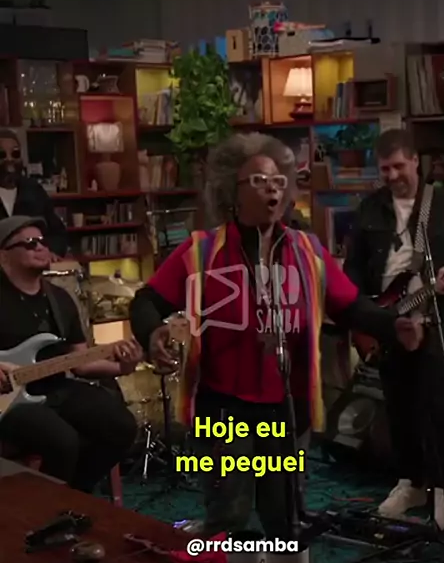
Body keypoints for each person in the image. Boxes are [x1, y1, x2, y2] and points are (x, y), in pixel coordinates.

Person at [130, 132, 422, 538]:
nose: (272, 188)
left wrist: (392, 325)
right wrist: (153, 332)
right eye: (258, 180)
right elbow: (145, 302)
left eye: (278, 180)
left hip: (287, 408)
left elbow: (351, 306)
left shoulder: (307, 251)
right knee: (227, 516)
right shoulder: (201, 251)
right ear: (232, 192)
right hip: (223, 410)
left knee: (284, 518)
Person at [344, 128, 444, 529]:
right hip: (386, 319)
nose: (391, 176)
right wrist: (363, 317)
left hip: (434, 319)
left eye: (398, 167)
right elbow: (353, 270)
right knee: (398, 405)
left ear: (415, 161)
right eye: (385, 169)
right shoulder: (370, 209)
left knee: (436, 407)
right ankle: (411, 482)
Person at [0, 216, 140, 491]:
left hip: (55, 388)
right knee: (62, 441)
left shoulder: (59, 299)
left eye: (42, 241)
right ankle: (46, 508)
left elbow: (82, 362)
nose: (41, 247)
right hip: (9, 403)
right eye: (29, 243)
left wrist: (124, 366)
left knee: (121, 426)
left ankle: (74, 494)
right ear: (4, 254)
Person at [0, 129, 67, 258]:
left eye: (15, 154)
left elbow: (58, 234)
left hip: (33, 265)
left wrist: (51, 252)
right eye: (1, 155)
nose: (9, 159)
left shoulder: (33, 190)